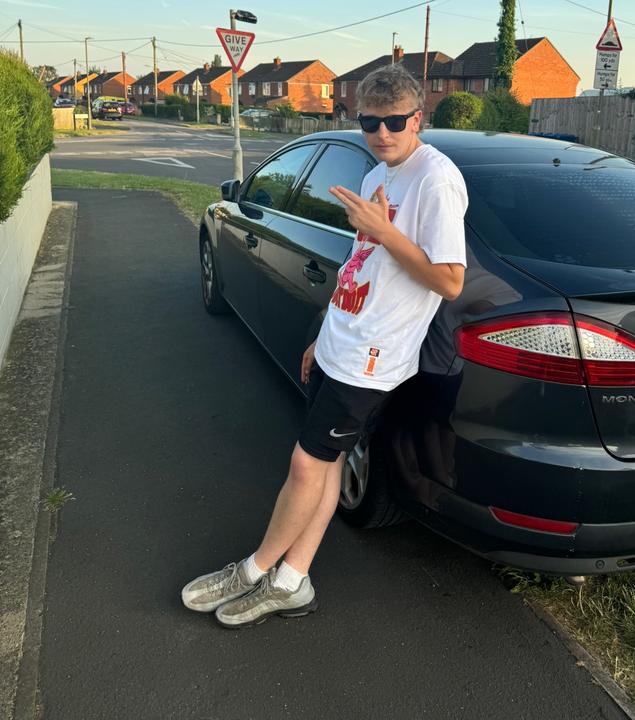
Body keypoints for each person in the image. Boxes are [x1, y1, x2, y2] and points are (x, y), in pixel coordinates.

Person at [181, 63, 468, 628]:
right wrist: (324, 334)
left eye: (394, 122)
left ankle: (253, 571)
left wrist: (385, 231)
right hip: (343, 341)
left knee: (305, 464)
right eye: (369, 122)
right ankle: (292, 581)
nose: (381, 133)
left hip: (373, 358)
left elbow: (450, 281)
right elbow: (361, 266)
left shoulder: (435, 179)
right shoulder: (377, 175)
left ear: (417, 119)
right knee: (327, 463)